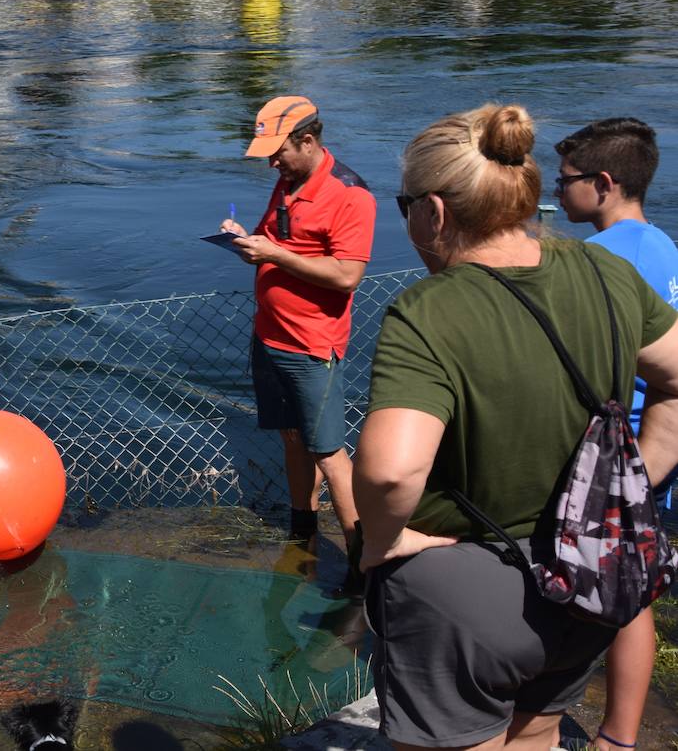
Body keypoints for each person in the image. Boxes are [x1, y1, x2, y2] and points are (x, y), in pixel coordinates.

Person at [353, 103, 678, 749]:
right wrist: (635, 477)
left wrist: (383, 541)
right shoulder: (607, 273)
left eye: (404, 205)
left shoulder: (429, 310)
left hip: (466, 596)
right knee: (538, 736)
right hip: (588, 577)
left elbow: (391, 471)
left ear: (434, 212)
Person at [554, 117, 678, 751]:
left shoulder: (597, 262)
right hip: (658, 447)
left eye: (566, 179)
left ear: (602, 183)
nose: (556, 190)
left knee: (578, 588)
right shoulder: (663, 246)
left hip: (608, 457)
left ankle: (542, 715)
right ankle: (619, 738)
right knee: (635, 591)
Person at [219, 95, 375, 575]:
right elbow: (278, 242)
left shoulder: (351, 194)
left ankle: (363, 562)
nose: (272, 163)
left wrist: (274, 255)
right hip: (269, 337)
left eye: (278, 152)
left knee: (329, 453)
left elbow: (347, 275)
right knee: (292, 438)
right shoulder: (288, 182)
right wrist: (246, 240)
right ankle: (302, 534)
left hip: (311, 346)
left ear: (307, 141)